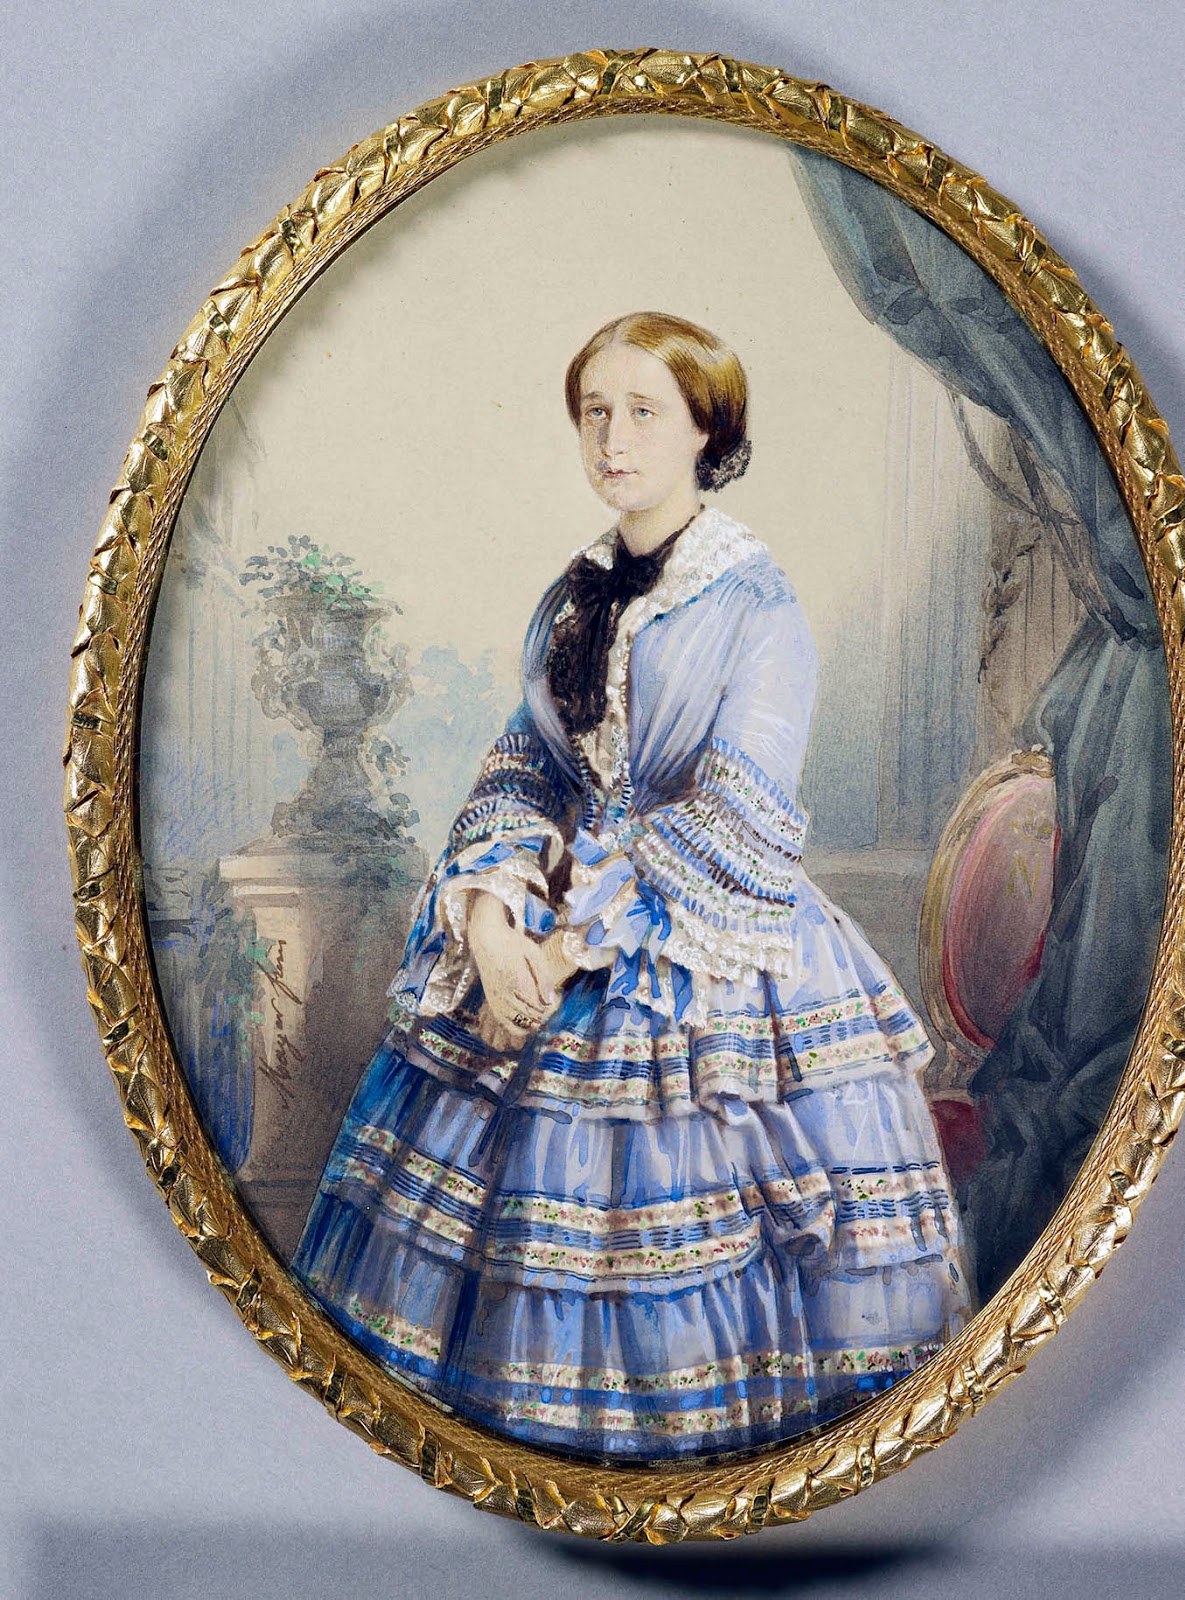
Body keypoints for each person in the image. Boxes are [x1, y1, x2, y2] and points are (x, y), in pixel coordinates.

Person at [292, 311, 970, 1459]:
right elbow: (524, 763)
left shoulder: (756, 605)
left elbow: (735, 814)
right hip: (556, 919)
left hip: (709, 943)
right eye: (594, 413)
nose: (613, 439)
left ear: (707, 432)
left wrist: (559, 954)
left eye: (644, 412)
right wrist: (491, 920)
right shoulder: (576, 595)